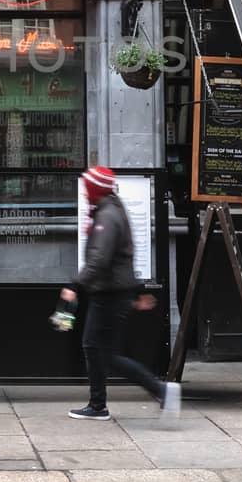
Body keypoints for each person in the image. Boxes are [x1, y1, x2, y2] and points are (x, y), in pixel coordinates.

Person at [60, 166, 179, 425]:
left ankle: (159, 391)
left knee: (105, 352)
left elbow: (100, 259)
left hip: (110, 294)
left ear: (95, 189)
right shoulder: (110, 210)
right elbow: (123, 253)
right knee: (96, 348)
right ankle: (98, 404)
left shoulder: (107, 216)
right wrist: (137, 290)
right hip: (113, 291)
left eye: (87, 189)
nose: (84, 194)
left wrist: (75, 285)